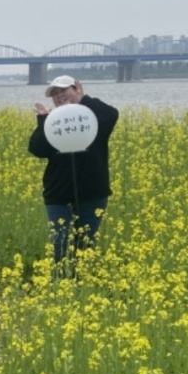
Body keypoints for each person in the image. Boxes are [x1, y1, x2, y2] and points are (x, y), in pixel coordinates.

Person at [28, 76, 118, 262]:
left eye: (63, 90)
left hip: (93, 194)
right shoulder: (53, 123)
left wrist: (83, 100)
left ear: (77, 89)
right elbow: (37, 149)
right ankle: (60, 279)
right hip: (58, 195)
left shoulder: (94, 118)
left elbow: (112, 115)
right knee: (59, 247)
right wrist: (43, 121)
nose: (59, 96)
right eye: (55, 94)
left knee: (85, 247)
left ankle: (81, 279)